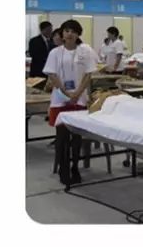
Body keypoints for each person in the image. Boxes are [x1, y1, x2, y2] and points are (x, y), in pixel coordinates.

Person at [43, 19, 98, 185]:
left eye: (73, 31)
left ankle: (75, 167)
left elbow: (88, 74)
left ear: (78, 34)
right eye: (66, 31)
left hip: (79, 98)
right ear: (62, 33)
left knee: (76, 137)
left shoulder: (85, 51)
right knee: (62, 136)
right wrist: (66, 92)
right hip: (60, 98)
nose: (69, 34)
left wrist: (77, 93)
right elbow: (52, 74)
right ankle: (63, 168)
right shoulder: (55, 53)